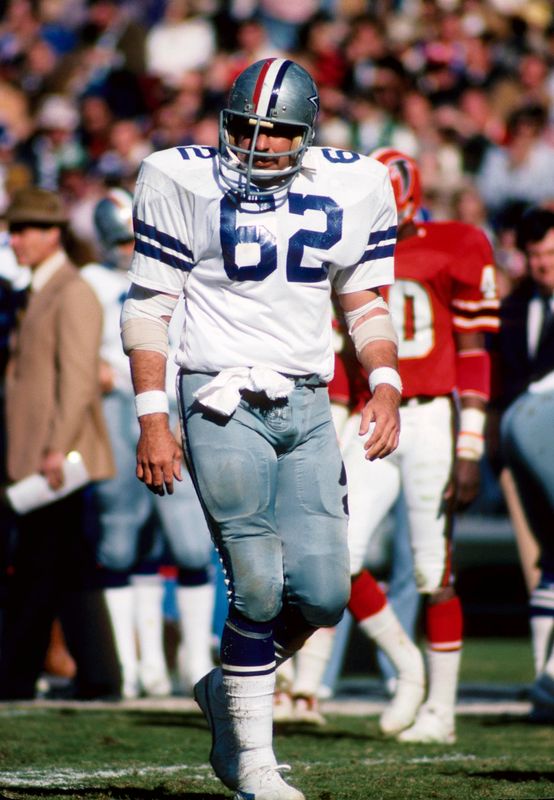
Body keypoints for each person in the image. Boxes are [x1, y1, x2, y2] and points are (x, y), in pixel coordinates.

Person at [121, 57, 404, 800]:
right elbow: (149, 308)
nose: (258, 143)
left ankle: (228, 687)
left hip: (307, 401)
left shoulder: (355, 183)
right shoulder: (182, 179)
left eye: (276, 131)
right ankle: (254, 763)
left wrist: (385, 383)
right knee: (255, 583)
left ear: (306, 135)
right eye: (245, 127)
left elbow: (364, 301)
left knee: (325, 594)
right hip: (219, 396)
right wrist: (153, 416)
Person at [334, 148, 500, 744]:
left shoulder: (455, 243)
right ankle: (408, 669)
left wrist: (470, 447)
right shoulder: (344, 249)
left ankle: (442, 712)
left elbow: (475, 353)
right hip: (372, 415)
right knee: (337, 559)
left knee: (435, 571)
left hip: (430, 418)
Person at [81, 187, 215, 699]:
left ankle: (192, 660)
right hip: (117, 407)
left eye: (134, 239)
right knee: (122, 541)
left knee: (189, 542)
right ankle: (133, 665)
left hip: (175, 407)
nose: (128, 249)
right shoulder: (92, 282)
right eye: (120, 240)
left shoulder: (177, 273)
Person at [0, 186, 116, 700]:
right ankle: (99, 676)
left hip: (55, 456)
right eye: (14, 230)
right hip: (43, 451)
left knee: (36, 567)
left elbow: (78, 379)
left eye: (26, 230)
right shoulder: (42, 290)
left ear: (53, 235)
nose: (16, 240)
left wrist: (56, 447)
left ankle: (15, 675)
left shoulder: (71, 292)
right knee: (71, 569)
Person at [492, 206, 554, 721]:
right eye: (535, 255)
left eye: (551, 253)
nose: (543, 263)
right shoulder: (513, 308)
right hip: (519, 450)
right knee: (542, 561)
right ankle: (544, 680)